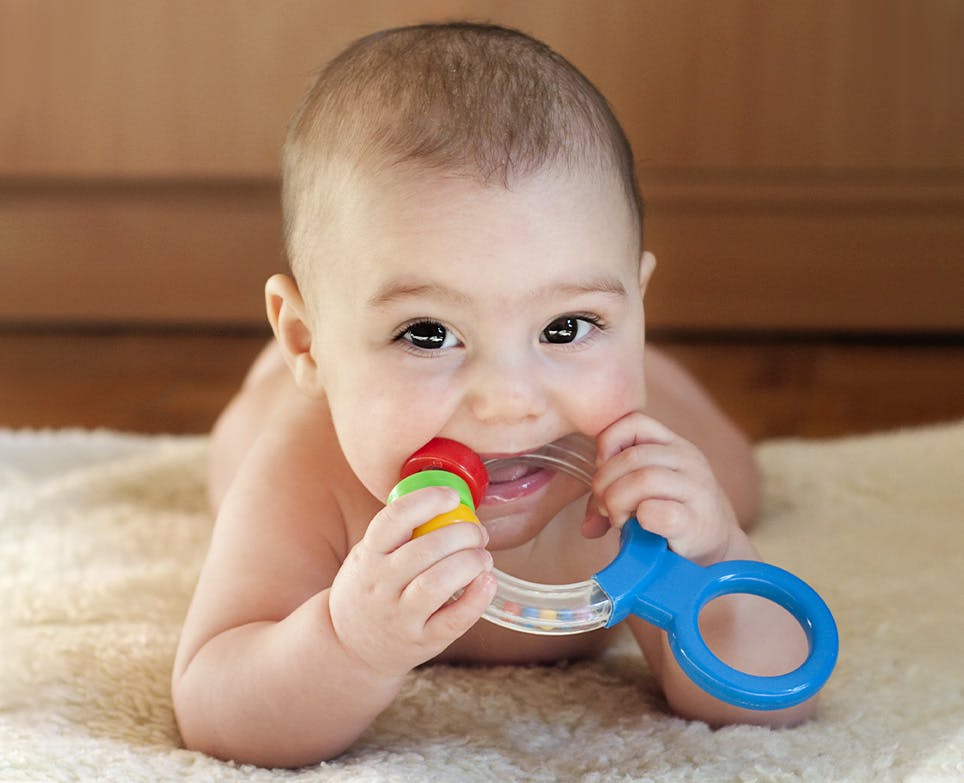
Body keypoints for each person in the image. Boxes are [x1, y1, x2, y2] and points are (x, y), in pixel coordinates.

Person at [172, 22, 812, 768]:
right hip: (292, 412)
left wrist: (718, 552)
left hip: (620, 406)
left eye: (570, 324)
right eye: (428, 333)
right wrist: (347, 643)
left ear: (634, 307)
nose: (509, 401)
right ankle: (289, 367)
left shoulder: (625, 485)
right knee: (240, 442)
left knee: (731, 476)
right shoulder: (307, 477)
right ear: (309, 344)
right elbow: (218, 709)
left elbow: (771, 696)